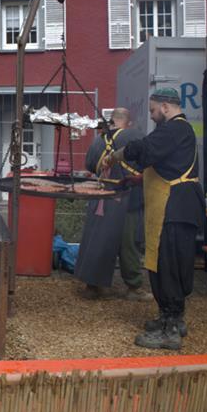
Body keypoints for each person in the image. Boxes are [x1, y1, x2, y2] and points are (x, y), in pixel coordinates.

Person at [103, 87, 205, 350]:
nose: (152, 115)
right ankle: (172, 317)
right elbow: (169, 165)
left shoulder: (175, 128)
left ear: (166, 107)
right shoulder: (181, 131)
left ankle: (169, 331)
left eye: (152, 110)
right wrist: (137, 180)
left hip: (174, 207)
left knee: (168, 265)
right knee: (171, 263)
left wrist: (117, 154)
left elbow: (146, 149)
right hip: (179, 206)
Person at [75, 108, 149, 300]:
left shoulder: (98, 140)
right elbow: (146, 162)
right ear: (128, 122)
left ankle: (93, 285)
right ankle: (133, 287)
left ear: (112, 120)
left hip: (101, 196)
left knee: (97, 240)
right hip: (127, 196)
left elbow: (91, 165)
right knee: (128, 243)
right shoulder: (134, 135)